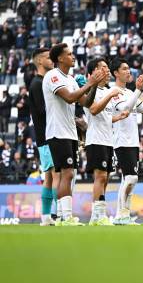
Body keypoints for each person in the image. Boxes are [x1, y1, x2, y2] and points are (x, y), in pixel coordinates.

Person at [43, 43, 102, 226]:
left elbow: (86, 103)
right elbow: (69, 97)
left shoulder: (70, 78)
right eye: (69, 54)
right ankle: (65, 217)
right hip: (57, 132)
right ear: (60, 58)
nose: (73, 56)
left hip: (69, 133)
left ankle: (64, 217)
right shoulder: (52, 76)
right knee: (66, 173)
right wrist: (90, 83)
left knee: (69, 173)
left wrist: (93, 87)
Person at [110, 58, 143, 225]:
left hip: (132, 142)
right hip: (121, 141)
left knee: (130, 179)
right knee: (130, 179)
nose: (128, 71)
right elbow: (126, 109)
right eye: (124, 68)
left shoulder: (129, 93)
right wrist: (138, 91)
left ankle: (123, 215)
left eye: (128, 68)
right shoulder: (113, 91)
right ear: (116, 73)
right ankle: (121, 214)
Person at [84, 58, 132, 225]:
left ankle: (97, 215)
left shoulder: (105, 91)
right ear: (94, 72)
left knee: (106, 177)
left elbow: (105, 117)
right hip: (95, 139)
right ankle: (98, 215)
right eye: (103, 68)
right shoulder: (91, 91)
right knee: (100, 177)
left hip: (107, 140)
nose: (107, 71)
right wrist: (110, 94)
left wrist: (118, 117)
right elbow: (94, 110)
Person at [28, 48, 59, 226]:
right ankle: (61, 214)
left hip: (45, 136)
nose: (51, 60)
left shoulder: (41, 82)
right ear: (39, 61)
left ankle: (46, 217)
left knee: (49, 176)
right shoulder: (37, 84)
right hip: (48, 136)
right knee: (56, 175)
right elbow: (44, 111)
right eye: (48, 58)